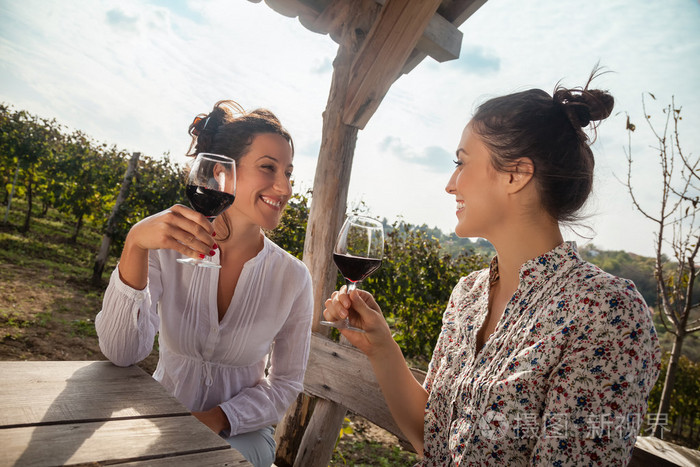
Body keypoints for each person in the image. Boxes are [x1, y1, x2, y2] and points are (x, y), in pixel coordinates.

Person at [323, 71, 661, 466]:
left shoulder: (607, 312)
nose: (451, 184)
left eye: (461, 162)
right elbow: (432, 442)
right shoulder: (467, 294)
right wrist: (380, 345)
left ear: (516, 174)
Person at [96, 100, 313, 467]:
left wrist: (218, 418)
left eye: (288, 172)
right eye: (268, 168)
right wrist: (135, 242)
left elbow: (285, 383)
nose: (285, 187)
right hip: (161, 418)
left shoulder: (292, 278)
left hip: (242, 434)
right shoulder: (165, 247)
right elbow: (121, 353)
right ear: (222, 173)